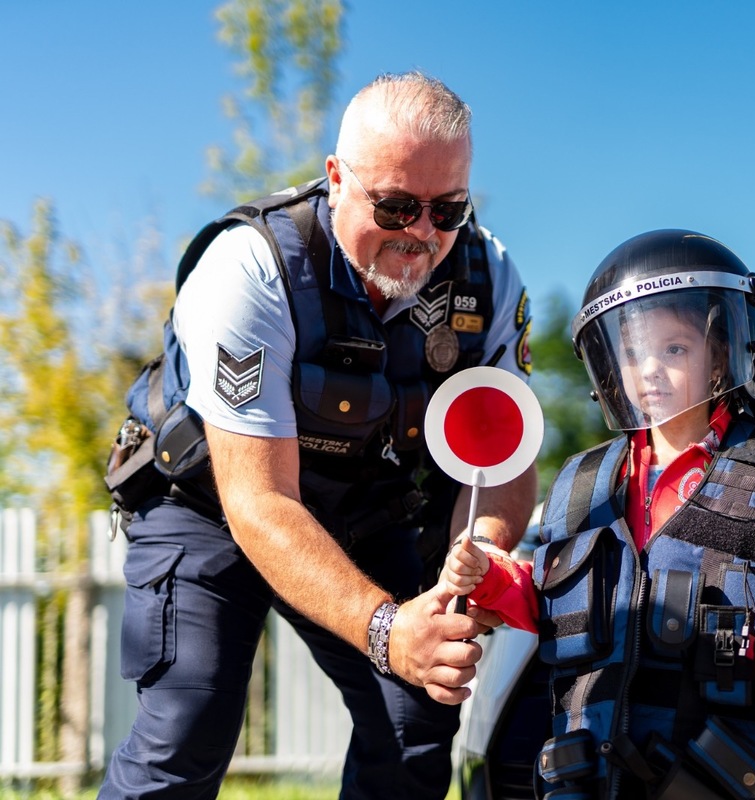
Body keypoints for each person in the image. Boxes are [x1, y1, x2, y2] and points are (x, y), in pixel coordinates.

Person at [98, 71, 537, 800]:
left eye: (448, 208)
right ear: (337, 179)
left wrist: (477, 555)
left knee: (417, 718)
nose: (422, 234)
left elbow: (506, 460)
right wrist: (385, 630)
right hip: (215, 502)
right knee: (188, 723)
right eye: (395, 206)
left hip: (370, 508)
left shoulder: (489, 280)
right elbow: (261, 504)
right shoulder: (249, 270)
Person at [440, 229, 755, 800]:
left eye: (674, 349)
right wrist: (488, 574)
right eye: (632, 352)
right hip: (592, 773)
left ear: (722, 354)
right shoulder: (583, 484)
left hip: (715, 773)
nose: (649, 369)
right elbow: (548, 602)